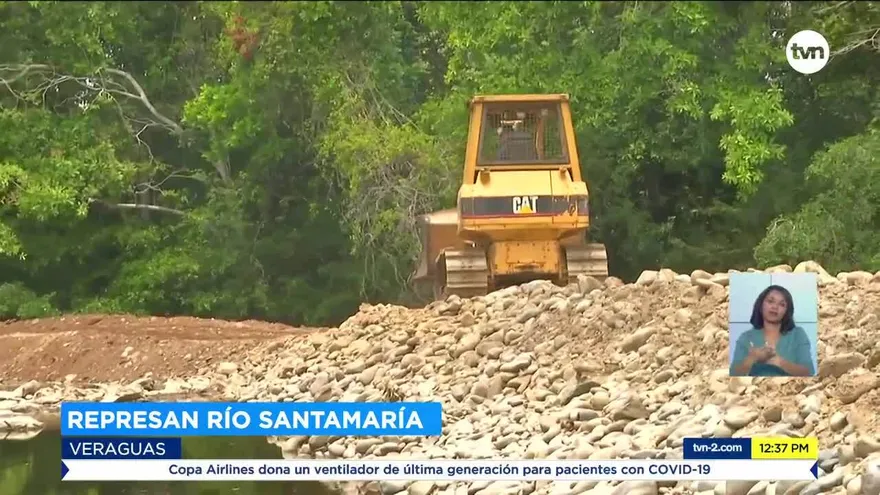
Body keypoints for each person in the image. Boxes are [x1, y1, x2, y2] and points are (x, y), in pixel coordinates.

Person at [729, 284, 816, 377]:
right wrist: (752, 358)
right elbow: (733, 373)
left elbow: (809, 372)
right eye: (770, 301)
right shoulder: (746, 337)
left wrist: (780, 362)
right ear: (760, 305)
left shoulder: (798, 334)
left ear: (787, 311)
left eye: (782, 304)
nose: (775, 307)